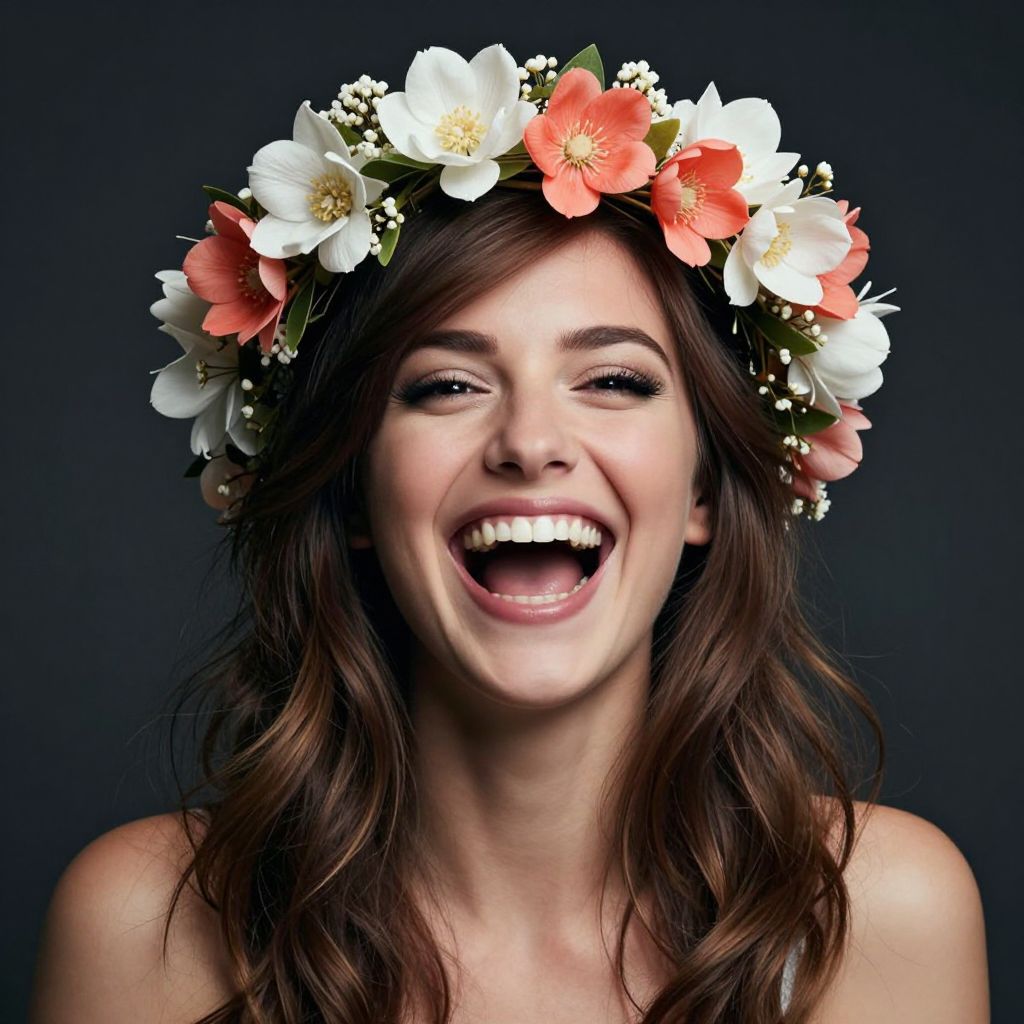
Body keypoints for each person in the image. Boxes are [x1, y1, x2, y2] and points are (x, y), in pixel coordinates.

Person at [30, 44, 989, 1024]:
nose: (530, 443)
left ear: (704, 486)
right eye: (447, 384)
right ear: (353, 488)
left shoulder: (880, 917)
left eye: (612, 380)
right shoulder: (145, 929)